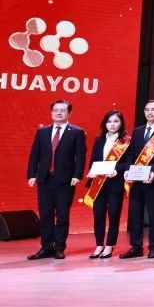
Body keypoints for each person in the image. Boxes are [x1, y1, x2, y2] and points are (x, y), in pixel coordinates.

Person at [26, 99, 86, 260]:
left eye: (63, 110)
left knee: (62, 215)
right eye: (55, 110)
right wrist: (31, 175)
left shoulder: (77, 132)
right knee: (45, 215)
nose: (59, 113)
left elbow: (80, 157)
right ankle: (46, 247)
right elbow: (34, 155)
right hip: (44, 179)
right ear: (51, 112)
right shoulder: (42, 132)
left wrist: (77, 175)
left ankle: (59, 246)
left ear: (69, 113)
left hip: (65, 180)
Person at [120, 100, 154, 259]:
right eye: (147, 110)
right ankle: (136, 247)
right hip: (136, 179)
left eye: (153, 109)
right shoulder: (137, 131)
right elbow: (131, 154)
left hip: (153, 179)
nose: (150, 112)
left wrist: (153, 171)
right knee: (135, 214)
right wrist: (128, 169)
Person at [85, 110, 132, 259]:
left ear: (121, 123)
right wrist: (92, 171)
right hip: (99, 183)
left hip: (115, 183)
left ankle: (109, 246)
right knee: (98, 215)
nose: (112, 124)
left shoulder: (126, 141)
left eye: (116, 121)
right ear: (105, 124)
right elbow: (93, 160)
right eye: (109, 121)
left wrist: (117, 170)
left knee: (113, 215)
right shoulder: (99, 140)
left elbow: (128, 162)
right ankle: (99, 245)